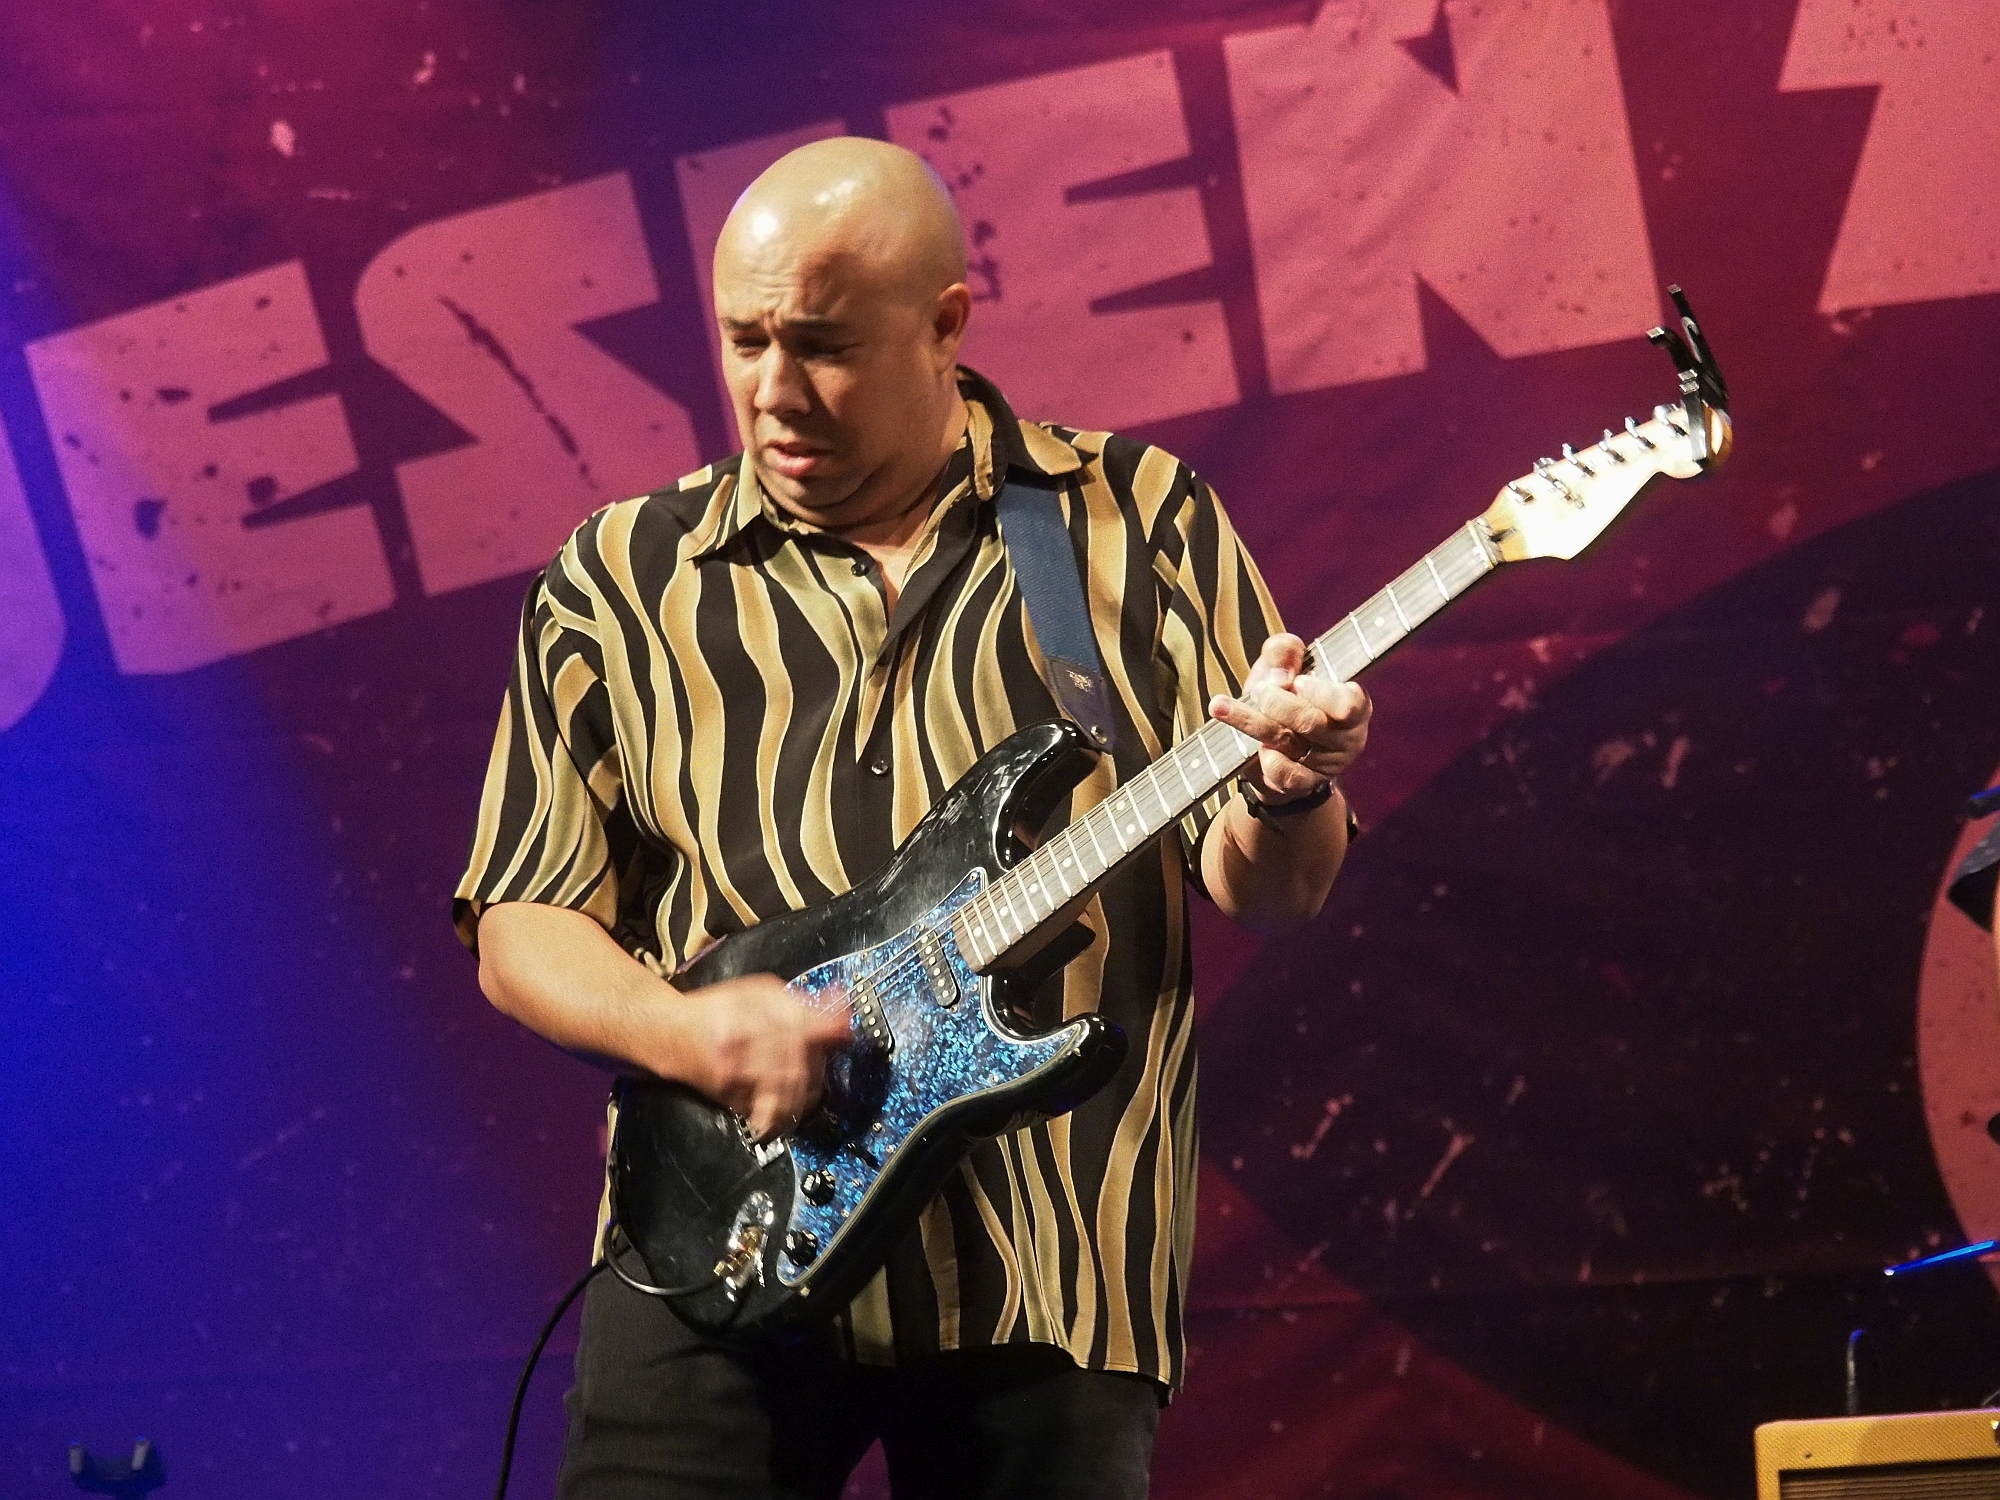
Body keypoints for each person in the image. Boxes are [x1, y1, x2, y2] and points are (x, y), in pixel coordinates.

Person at [454, 137, 1370, 1499]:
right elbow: (521, 921)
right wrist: (689, 1033)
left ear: (946, 324)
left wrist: (1291, 791)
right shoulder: (622, 577)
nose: (773, 392)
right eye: (744, 340)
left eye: (822, 346)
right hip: (718, 1234)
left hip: (1047, 1265)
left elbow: (1273, 891)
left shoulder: (1137, 522)